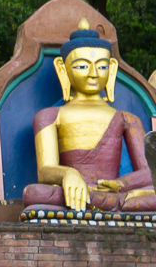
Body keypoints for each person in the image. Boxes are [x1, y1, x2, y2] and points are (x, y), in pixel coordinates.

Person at [22, 24, 155, 211]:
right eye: (82, 66)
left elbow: (149, 171)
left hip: (111, 192)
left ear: (112, 68)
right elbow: (45, 170)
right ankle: (115, 204)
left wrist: (120, 184)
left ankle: (111, 201)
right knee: (33, 193)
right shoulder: (49, 116)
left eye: (101, 66)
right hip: (71, 190)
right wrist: (68, 174)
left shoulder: (127, 118)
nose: (93, 73)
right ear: (63, 69)